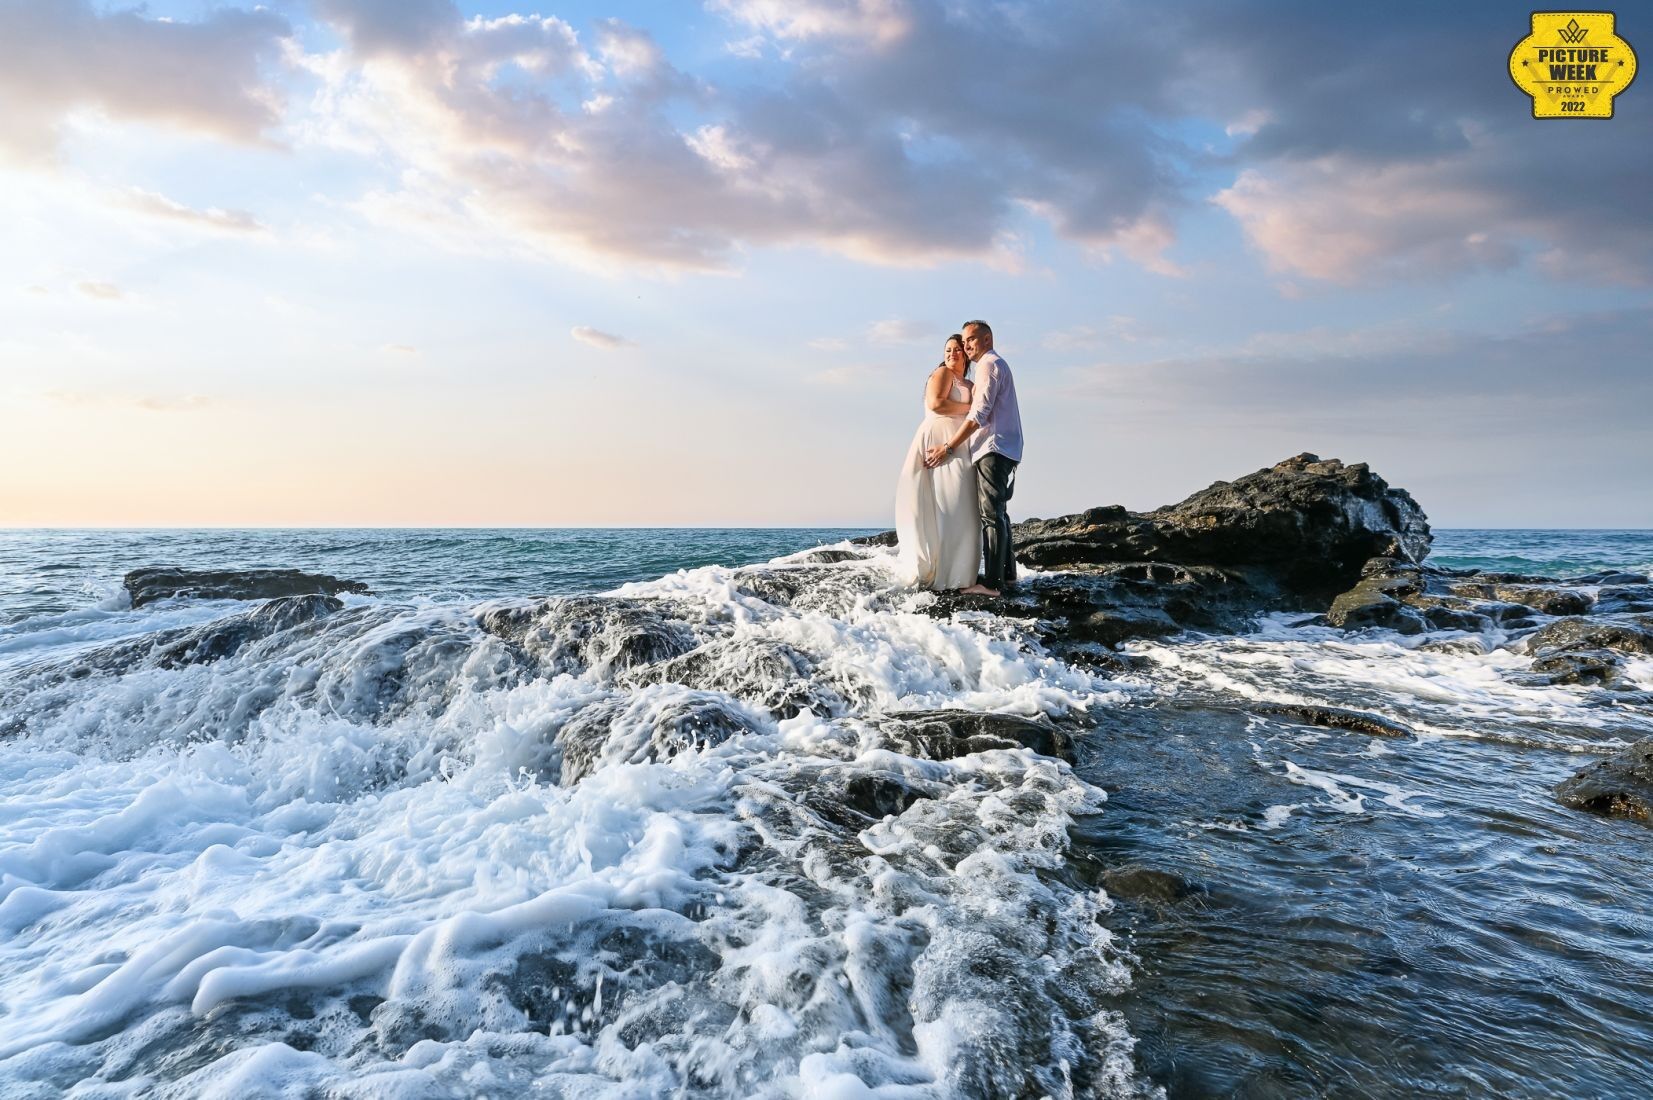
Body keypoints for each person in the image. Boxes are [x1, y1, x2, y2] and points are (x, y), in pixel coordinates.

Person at [924, 319, 1022, 596]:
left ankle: (991, 584)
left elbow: (979, 414)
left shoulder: (989, 365)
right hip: (1004, 447)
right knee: (999, 513)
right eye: (964, 341)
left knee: (991, 515)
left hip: (993, 447)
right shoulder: (995, 364)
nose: (966, 345)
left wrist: (949, 447)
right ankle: (1007, 574)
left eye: (972, 340)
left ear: (987, 339)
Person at [894, 334, 982, 589]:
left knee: (962, 508)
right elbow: (936, 404)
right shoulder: (944, 374)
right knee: (946, 504)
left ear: (966, 355)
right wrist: (971, 410)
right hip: (939, 439)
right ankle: (943, 574)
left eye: (957, 349)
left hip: (958, 443)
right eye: (948, 350)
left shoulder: (969, 382)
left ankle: (960, 575)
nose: (952, 353)